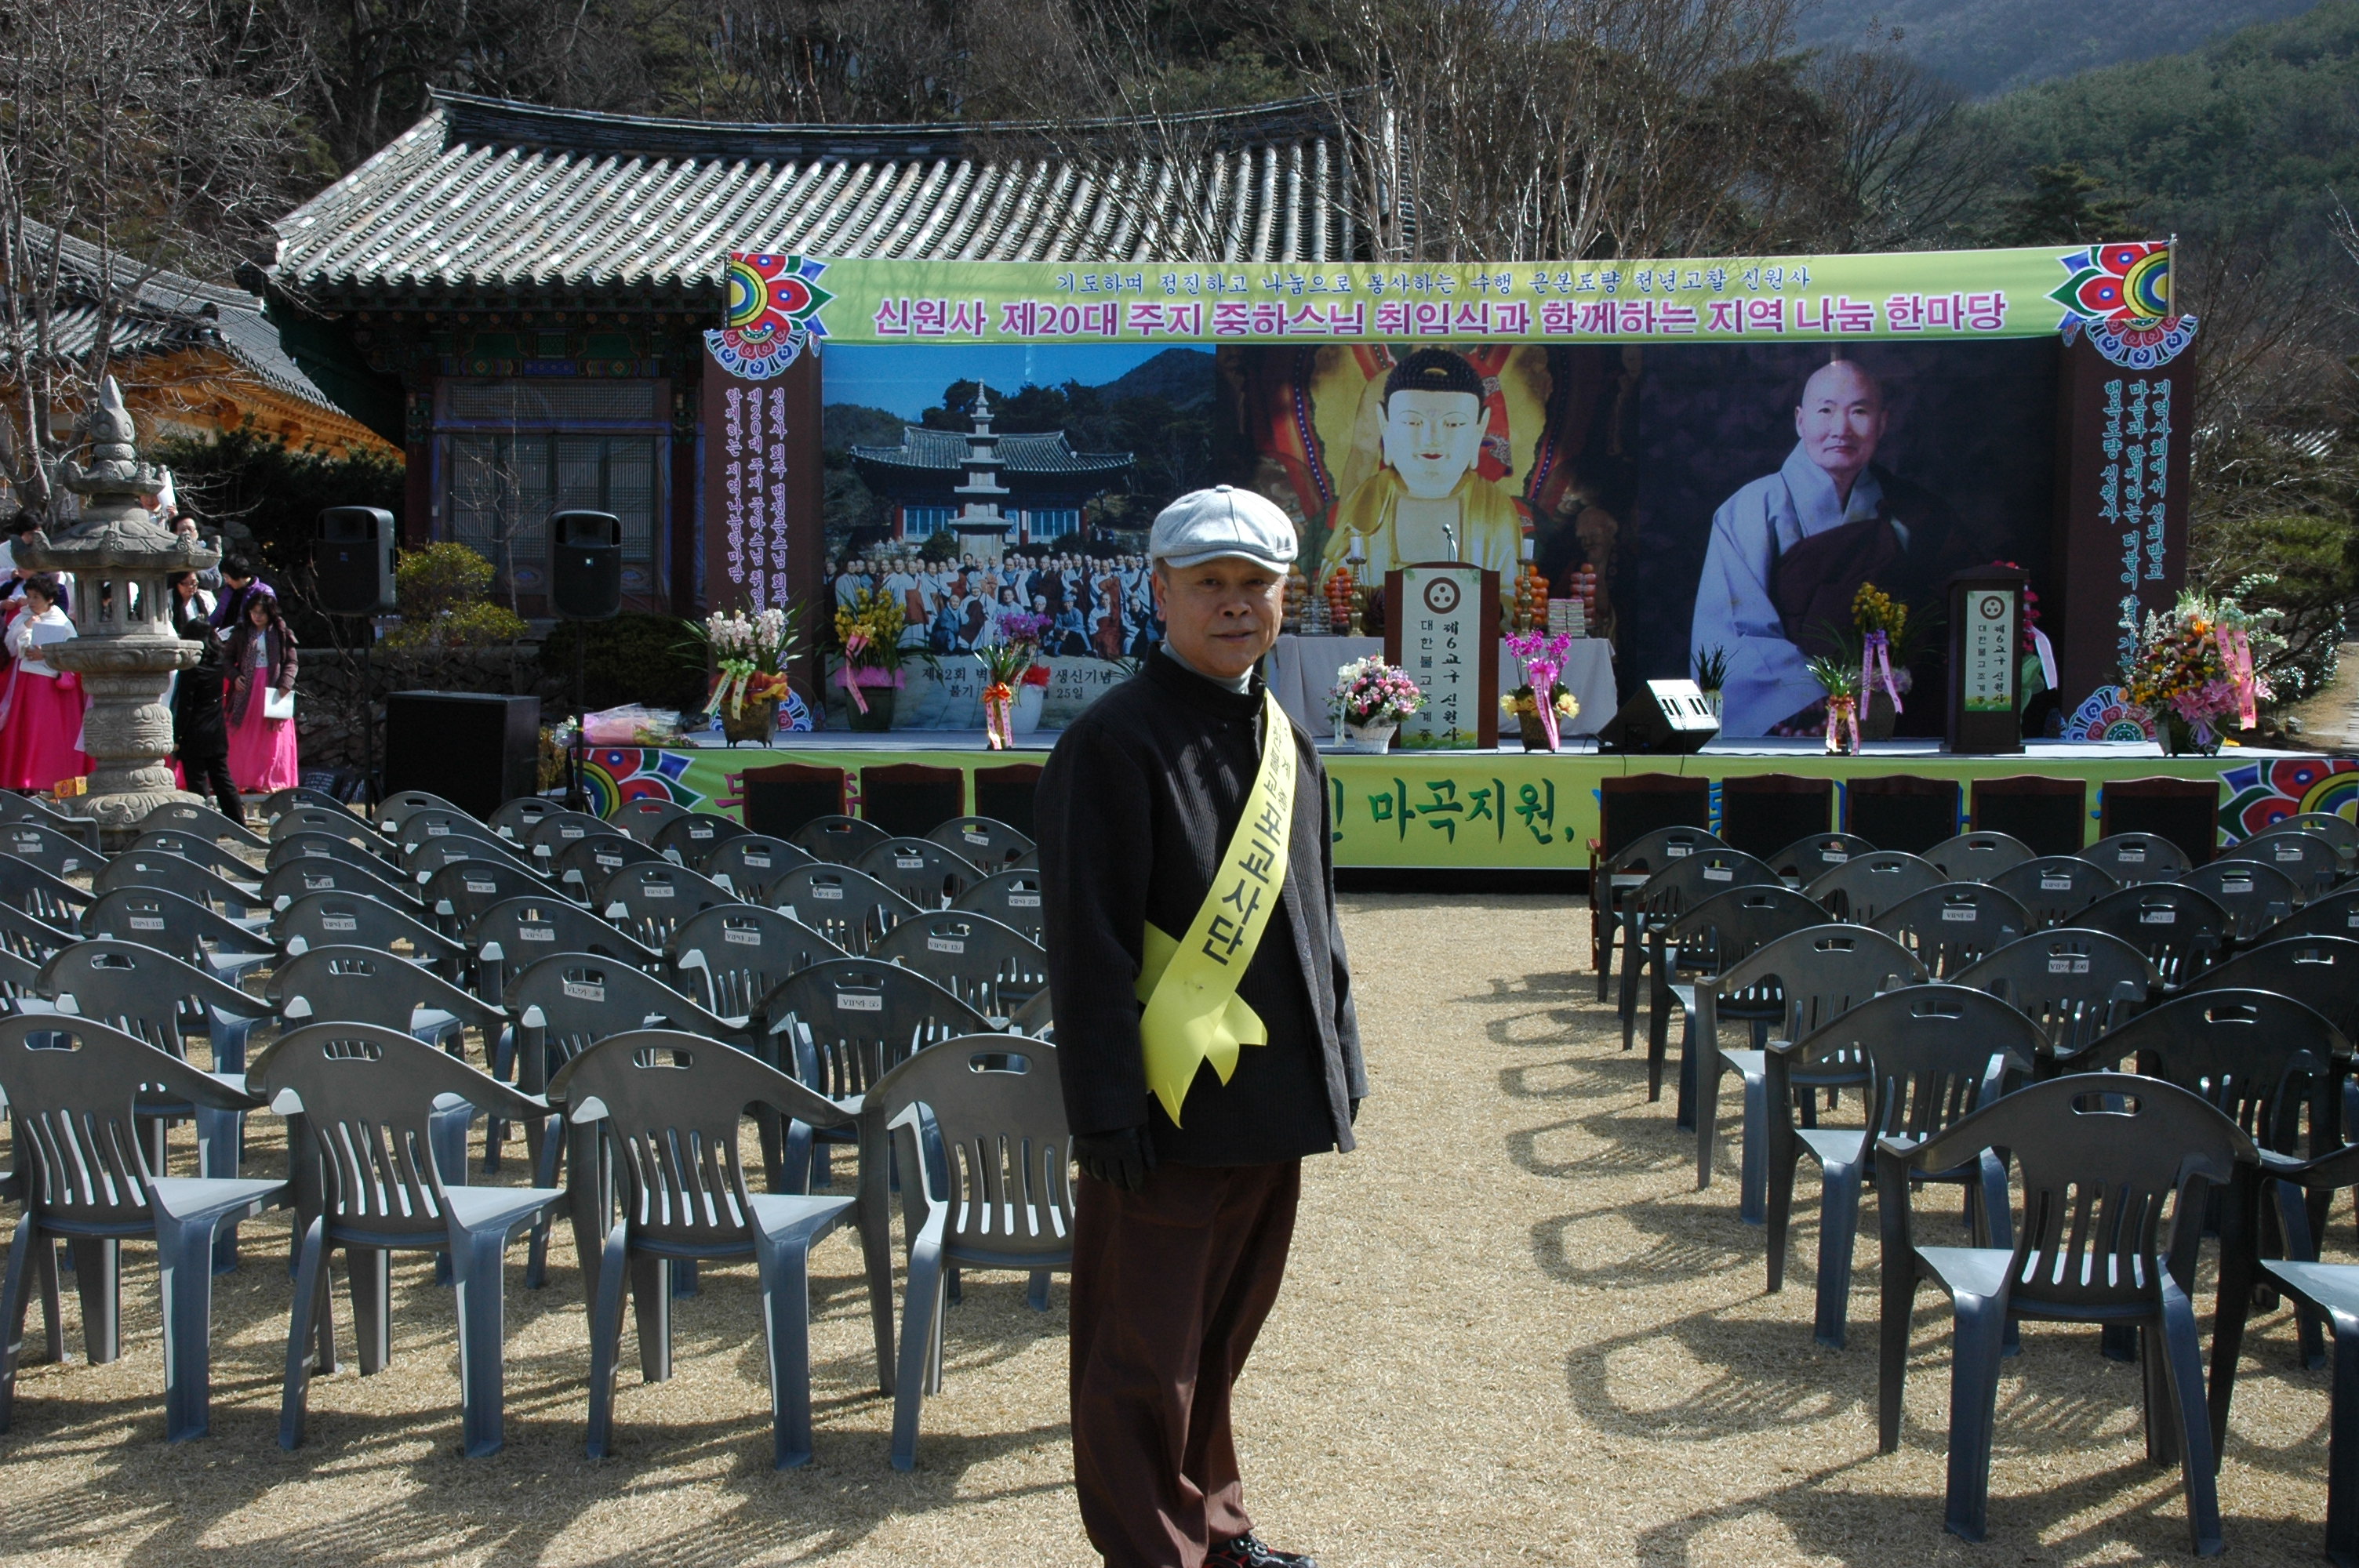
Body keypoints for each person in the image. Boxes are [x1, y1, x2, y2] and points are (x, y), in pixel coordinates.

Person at [1038, 485, 1363, 1568]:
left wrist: (1339, 1065)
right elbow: (1086, 942)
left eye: (1254, 583)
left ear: (1284, 595)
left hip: (1270, 1105)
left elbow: (1315, 917)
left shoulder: (1284, 735)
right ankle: (1151, 1552)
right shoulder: (1111, 742)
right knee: (1140, 1360)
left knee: (1214, 1344)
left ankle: (1213, 1531)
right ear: (1161, 591)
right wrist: (1102, 1110)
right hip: (1163, 1114)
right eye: (1209, 582)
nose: (1234, 603)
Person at [1688, 358, 1967, 737]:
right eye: (1825, 411)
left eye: (1859, 412)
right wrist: (1809, 699)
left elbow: (1948, 620)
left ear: (1883, 423)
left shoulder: (1914, 512)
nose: (1841, 429)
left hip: (1892, 714)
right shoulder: (1751, 509)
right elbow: (1733, 631)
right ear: (1800, 421)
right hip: (1794, 718)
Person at [1320, 347, 1528, 580]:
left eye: (1453, 424)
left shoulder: (1494, 509)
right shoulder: (1367, 503)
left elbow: (1508, 592)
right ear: (1385, 425)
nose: (1431, 439)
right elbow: (1336, 586)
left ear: (1479, 429)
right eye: (1412, 422)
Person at [0, 574, 90, 793]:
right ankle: (21, 782)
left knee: (49, 735)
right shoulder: (22, 617)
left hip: (52, 687)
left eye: (36, 597)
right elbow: (9, 649)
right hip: (25, 683)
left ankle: (50, 784)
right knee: (25, 732)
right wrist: (26, 627)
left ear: (49, 599)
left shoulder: (62, 621)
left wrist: (47, 654)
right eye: (29, 596)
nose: (31, 601)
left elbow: (72, 653)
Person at [168, 569, 239, 819]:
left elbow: (186, 704)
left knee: (197, 781)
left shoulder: (192, 669)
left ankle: (204, 822)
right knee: (222, 778)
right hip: (216, 728)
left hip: (194, 732)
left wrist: (177, 735)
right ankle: (237, 822)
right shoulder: (218, 663)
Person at [224, 587, 299, 794]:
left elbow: (292, 662)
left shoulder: (281, 632)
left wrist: (285, 684)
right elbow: (226, 658)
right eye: (254, 611)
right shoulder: (241, 632)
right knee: (244, 736)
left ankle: (272, 780)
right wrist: (234, 676)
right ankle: (245, 779)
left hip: (273, 689)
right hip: (246, 691)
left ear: (270, 614)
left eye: (262, 612)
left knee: (272, 737)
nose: (257, 616)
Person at [209, 554, 270, 635]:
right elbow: (218, 615)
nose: (226, 581)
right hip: (224, 636)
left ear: (235, 574)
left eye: (227, 577)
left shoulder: (263, 592)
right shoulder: (229, 590)